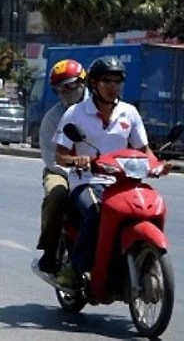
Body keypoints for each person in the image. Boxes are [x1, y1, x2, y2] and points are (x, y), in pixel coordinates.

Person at [54, 56, 173, 286]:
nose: (113, 87)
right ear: (94, 84)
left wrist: (158, 165)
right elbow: (60, 155)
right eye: (107, 81)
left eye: (117, 81)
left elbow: (143, 149)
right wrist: (77, 159)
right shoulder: (75, 114)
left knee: (149, 208)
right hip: (87, 181)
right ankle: (74, 267)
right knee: (97, 212)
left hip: (124, 182)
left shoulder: (130, 113)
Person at [35, 59, 87, 274]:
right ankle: (49, 249)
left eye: (70, 85)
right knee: (57, 195)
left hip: (100, 172)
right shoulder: (53, 118)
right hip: (62, 172)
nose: (66, 92)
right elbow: (51, 158)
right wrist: (73, 173)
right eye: (60, 88)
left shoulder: (105, 109)